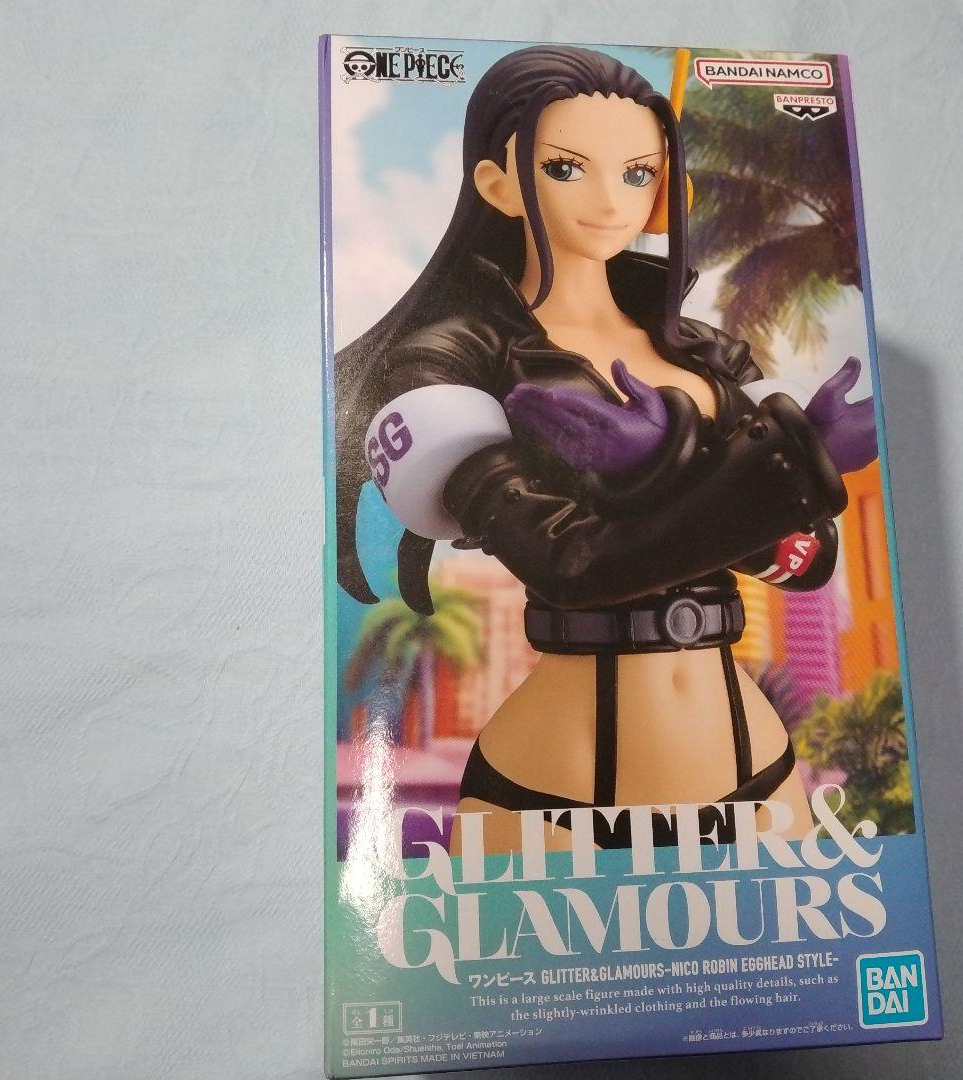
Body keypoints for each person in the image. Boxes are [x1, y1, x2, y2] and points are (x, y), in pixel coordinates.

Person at [335, 46, 877, 854]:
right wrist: (716, 469)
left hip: (759, 766)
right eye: (565, 168)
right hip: (561, 788)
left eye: (636, 174)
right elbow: (570, 565)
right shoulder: (448, 361)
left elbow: (806, 560)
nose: (608, 201)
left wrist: (694, 469)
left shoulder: (700, 351)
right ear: (498, 184)